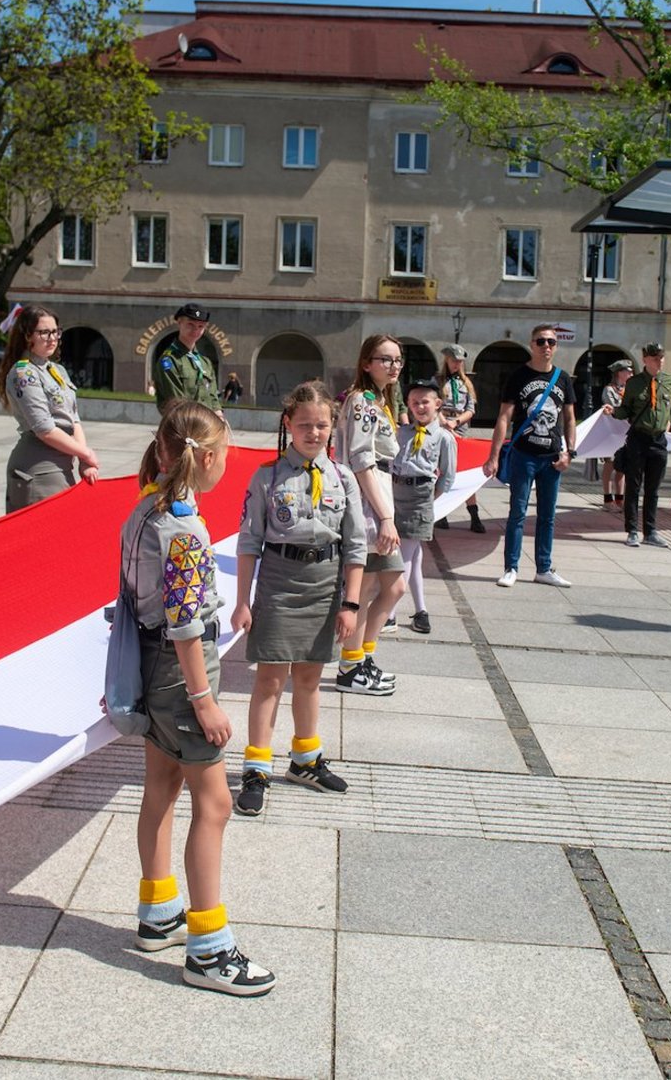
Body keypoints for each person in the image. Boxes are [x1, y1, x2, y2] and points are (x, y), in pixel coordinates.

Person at [122, 399, 274, 996]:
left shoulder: (144, 510)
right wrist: (204, 698)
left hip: (153, 665)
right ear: (207, 458)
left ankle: (158, 910)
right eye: (226, 455)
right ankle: (208, 949)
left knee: (159, 787)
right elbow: (187, 625)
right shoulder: (183, 527)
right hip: (182, 672)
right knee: (214, 806)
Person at [231, 382, 366, 813]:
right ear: (288, 424)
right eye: (305, 424)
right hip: (279, 581)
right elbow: (249, 542)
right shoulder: (267, 476)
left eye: (322, 424)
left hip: (325, 584)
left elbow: (356, 545)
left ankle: (305, 760)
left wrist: (351, 604)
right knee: (270, 678)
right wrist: (243, 600)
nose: (314, 432)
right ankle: (257, 767)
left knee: (309, 677)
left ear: (333, 426)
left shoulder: (343, 478)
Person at [334, 334, 406, 694]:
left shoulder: (380, 400)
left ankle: (362, 657)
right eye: (385, 359)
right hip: (366, 507)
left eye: (397, 360)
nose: (393, 366)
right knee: (362, 590)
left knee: (394, 586)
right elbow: (362, 459)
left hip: (378, 503)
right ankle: (350, 666)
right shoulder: (362, 401)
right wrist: (385, 518)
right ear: (366, 363)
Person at [482, 323, 576, 588]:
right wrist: (494, 455)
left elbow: (569, 418)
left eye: (551, 342)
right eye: (541, 341)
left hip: (552, 457)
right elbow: (504, 417)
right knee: (518, 512)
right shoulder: (518, 376)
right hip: (524, 455)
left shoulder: (563, 378)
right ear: (531, 344)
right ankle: (511, 567)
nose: (546, 346)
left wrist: (570, 452)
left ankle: (544, 568)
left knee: (548, 515)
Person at [0, 304, 100, 512]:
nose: (52, 338)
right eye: (44, 332)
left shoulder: (57, 369)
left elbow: (73, 419)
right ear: (27, 336)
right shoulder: (24, 372)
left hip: (63, 463)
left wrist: (83, 459)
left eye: (55, 331)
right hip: (38, 469)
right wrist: (86, 453)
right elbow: (44, 429)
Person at [392, 379, 457, 633]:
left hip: (421, 496)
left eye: (425, 402)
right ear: (407, 405)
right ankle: (421, 611)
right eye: (414, 402)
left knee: (404, 556)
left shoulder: (444, 437)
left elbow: (448, 477)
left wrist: (429, 500)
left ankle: (389, 613)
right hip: (396, 493)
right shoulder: (402, 432)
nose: (420, 407)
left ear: (437, 404)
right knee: (415, 557)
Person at [609, 341, 671, 549]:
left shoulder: (670, 382)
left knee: (654, 488)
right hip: (638, 438)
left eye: (660, 357)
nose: (658, 361)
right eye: (654, 358)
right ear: (645, 360)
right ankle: (632, 530)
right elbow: (626, 409)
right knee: (633, 486)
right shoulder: (635, 383)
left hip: (659, 440)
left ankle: (650, 531)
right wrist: (613, 411)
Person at [434, 343, 485, 533]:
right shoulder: (437, 381)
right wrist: (445, 424)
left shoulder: (466, 383)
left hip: (460, 429)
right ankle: (441, 514)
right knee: (441, 471)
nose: (457, 364)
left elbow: (471, 409)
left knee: (463, 472)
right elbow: (433, 406)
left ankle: (474, 515)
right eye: (454, 361)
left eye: (460, 362)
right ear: (446, 360)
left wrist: (456, 422)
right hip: (440, 428)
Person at [154, 303, 222, 416]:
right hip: (183, 427)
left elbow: (213, 399)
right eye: (190, 324)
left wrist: (219, 419)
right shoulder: (169, 360)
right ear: (179, 323)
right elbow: (177, 405)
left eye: (201, 326)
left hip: (207, 427)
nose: (195, 330)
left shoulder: (205, 363)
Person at [601, 359, 633, 511]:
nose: (631, 373)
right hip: (611, 433)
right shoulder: (609, 390)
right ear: (619, 372)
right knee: (610, 465)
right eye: (628, 371)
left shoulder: (630, 389)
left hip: (625, 434)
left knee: (623, 466)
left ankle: (620, 499)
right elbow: (615, 409)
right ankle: (608, 500)